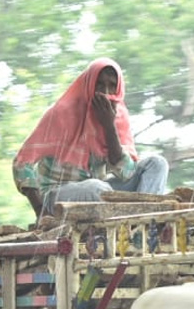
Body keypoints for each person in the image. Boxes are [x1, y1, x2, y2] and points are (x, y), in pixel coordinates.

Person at [12, 58, 169, 219]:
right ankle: (130, 220)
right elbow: (22, 163)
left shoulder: (118, 116)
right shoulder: (62, 113)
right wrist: (40, 210)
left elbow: (126, 173)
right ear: (89, 84)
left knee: (157, 164)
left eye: (112, 86)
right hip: (57, 195)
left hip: (99, 193)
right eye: (100, 85)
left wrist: (109, 125)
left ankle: (144, 222)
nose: (105, 93)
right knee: (98, 189)